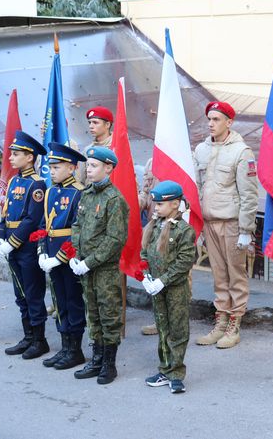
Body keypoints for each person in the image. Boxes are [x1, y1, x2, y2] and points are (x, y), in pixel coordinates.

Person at [193, 101, 259, 349]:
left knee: (236, 276)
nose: (211, 123)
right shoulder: (201, 149)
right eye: (209, 118)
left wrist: (246, 230)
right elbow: (197, 187)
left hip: (232, 223)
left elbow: (249, 195)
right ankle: (220, 322)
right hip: (209, 222)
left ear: (229, 122)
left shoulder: (242, 152)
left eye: (217, 119)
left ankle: (235, 324)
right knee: (219, 276)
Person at [69, 146, 129, 385]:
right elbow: (77, 225)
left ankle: (109, 364)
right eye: (88, 165)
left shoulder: (114, 199)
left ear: (108, 168)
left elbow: (115, 239)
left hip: (104, 269)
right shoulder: (87, 194)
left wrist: (90, 262)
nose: (89, 170)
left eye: (93, 166)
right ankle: (95, 359)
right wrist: (76, 254)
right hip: (85, 265)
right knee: (92, 313)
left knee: (108, 314)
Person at [0, 131, 49, 360]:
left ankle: (39, 340)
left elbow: (31, 218)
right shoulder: (16, 181)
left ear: (29, 157)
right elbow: (6, 212)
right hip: (11, 243)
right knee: (20, 293)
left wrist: (13, 242)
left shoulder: (37, 185)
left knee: (32, 292)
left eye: (16, 154)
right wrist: (0, 235)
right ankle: (28, 336)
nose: (10, 158)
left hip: (25, 246)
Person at [141, 180, 197, 394]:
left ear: (175, 204)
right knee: (162, 328)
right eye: (155, 204)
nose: (156, 208)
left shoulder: (184, 230)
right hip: (157, 288)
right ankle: (165, 369)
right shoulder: (154, 225)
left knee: (178, 330)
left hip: (175, 289)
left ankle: (176, 373)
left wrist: (163, 280)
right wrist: (146, 276)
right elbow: (144, 253)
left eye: (160, 204)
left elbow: (184, 261)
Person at [37, 143, 88, 370]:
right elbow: (43, 225)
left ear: (71, 168)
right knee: (59, 301)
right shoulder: (50, 191)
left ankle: (75, 349)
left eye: (57, 167)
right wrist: (41, 251)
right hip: (50, 254)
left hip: (68, 257)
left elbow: (78, 232)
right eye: (51, 167)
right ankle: (65, 346)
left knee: (72, 300)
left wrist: (59, 257)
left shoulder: (79, 193)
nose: (52, 171)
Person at [138, 156, 160, 336]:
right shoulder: (151, 161)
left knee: (177, 278)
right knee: (154, 272)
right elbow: (145, 193)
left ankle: (176, 320)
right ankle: (160, 318)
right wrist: (135, 201)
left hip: (175, 226)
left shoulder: (184, 154)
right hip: (153, 226)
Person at [77, 106, 113, 185]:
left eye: (95, 122)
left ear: (107, 124)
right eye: (89, 122)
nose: (91, 126)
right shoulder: (87, 150)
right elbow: (81, 180)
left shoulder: (116, 147)